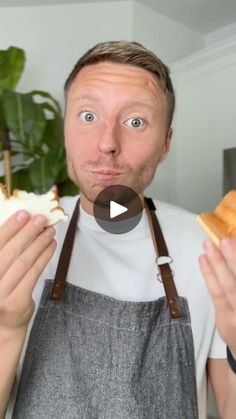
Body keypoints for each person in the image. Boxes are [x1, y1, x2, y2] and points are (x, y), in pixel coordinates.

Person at [1, 40, 236, 419]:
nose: (108, 143)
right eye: (88, 116)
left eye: (136, 122)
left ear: (165, 145)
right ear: (65, 130)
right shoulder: (18, 239)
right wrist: (7, 326)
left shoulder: (208, 250)